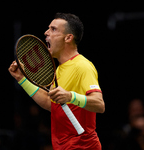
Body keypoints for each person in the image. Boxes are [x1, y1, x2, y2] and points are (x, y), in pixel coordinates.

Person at [9, 13, 105, 150]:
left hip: (83, 146)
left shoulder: (82, 66)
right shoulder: (59, 70)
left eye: (53, 29)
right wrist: (21, 79)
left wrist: (70, 96)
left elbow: (99, 104)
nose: (46, 32)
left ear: (68, 37)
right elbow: (51, 104)